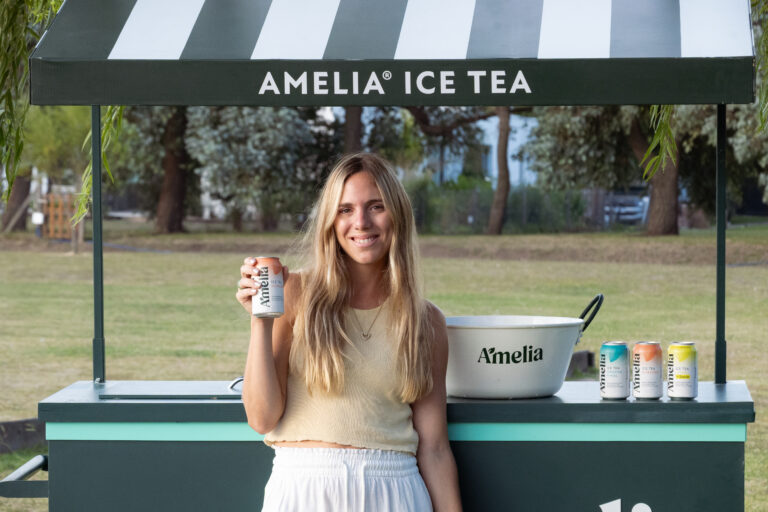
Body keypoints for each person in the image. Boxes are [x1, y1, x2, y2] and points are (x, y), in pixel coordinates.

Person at [235, 153, 462, 511]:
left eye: (376, 206)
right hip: (303, 489)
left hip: (395, 491)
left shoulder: (425, 320)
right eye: (345, 210)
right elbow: (261, 419)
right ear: (330, 220)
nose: (361, 222)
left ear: (398, 214)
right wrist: (260, 322)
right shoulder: (294, 293)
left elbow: (434, 449)